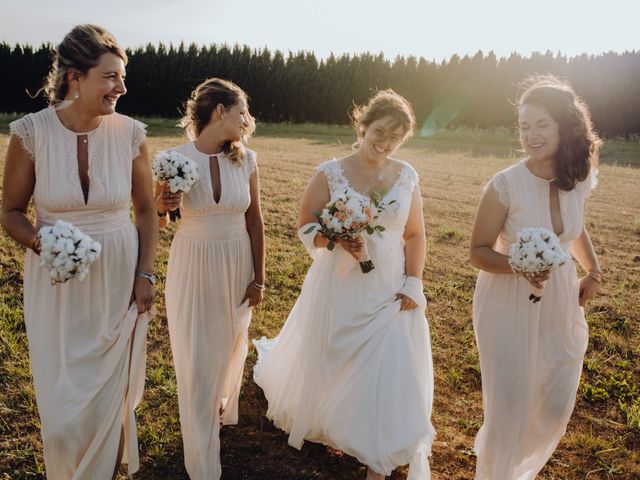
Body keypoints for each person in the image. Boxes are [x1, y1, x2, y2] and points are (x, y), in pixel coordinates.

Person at [0, 24, 157, 479]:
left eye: (122, 77)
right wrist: (42, 242)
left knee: (111, 397)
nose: (122, 87)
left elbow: (146, 211)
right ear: (75, 76)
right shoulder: (30, 132)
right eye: (110, 77)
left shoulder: (131, 133)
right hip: (57, 283)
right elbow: (10, 210)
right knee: (63, 415)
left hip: (118, 278)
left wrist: (145, 275)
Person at [253, 89, 435, 480]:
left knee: (390, 363)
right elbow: (305, 226)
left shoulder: (406, 175)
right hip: (340, 284)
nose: (384, 142)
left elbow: (416, 235)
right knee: (335, 356)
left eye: (395, 137)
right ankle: (338, 418)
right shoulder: (330, 172)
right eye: (380, 131)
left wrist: (413, 282)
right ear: (363, 124)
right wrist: (334, 239)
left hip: (390, 285)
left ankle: (377, 453)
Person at [469, 74, 602, 479]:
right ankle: (496, 471)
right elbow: (477, 252)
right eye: (524, 127)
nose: (531, 135)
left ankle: (513, 465)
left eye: (541, 124)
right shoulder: (505, 185)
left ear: (565, 126)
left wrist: (593, 269)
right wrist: (521, 266)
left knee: (555, 395)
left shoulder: (577, 177)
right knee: (509, 401)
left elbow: (574, 229)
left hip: (559, 297)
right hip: (506, 299)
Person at [155, 77, 265, 480]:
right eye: (242, 113)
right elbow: (160, 219)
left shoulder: (246, 160)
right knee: (197, 355)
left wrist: (260, 277)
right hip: (194, 263)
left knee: (230, 345)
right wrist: (163, 205)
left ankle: (215, 404)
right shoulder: (174, 158)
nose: (247, 122)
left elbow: (255, 220)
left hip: (237, 262)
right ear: (219, 112)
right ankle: (202, 456)